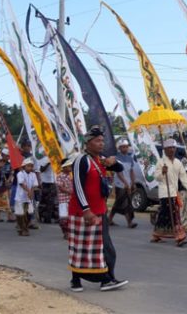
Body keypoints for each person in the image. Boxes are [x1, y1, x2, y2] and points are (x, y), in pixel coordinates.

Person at [69, 125, 128, 292]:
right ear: (88, 143)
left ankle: (103, 279)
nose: (101, 144)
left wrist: (114, 162)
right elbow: (78, 186)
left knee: (96, 247)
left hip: (100, 211)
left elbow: (120, 168)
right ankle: (101, 280)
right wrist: (86, 210)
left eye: (102, 140)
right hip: (84, 212)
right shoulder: (81, 160)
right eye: (97, 141)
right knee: (82, 246)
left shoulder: (100, 159)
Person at [151, 138, 187, 247]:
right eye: (169, 148)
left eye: (173, 148)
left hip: (174, 192)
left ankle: (157, 234)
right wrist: (162, 173)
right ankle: (179, 236)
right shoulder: (161, 162)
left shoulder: (178, 162)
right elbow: (156, 177)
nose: (172, 150)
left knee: (164, 215)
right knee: (174, 215)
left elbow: (183, 177)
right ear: (164, 149)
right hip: (165, 193)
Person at [109, 139, 137, 228]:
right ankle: (129, 223)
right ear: (119, 148)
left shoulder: (130, 158)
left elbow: (131, 171)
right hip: (119, 183)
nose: (125, 148)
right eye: (123, 147)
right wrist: (125, 182)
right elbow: (118, 173)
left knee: (123, 203)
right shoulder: (116, 158)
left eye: (126, 147)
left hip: (128, 183)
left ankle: (109, 219)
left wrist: (133, 182)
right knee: (123, 203)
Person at [15, 158, 38, 237]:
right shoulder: (20, 174)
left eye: (31, 166)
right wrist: (28, 191)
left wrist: (31, 192)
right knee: (20, 214)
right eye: (28, 166)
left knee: (29, 213)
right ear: (24, 166)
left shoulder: (33, 174)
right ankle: (23, 228)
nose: (30, 168)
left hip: (28, 198)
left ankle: (25, 227)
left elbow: (34, 185)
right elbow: (22, 184)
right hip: (20, 197)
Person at [36, 147, 58, 224]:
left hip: (53, 182)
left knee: (52, 201)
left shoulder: (56, 159)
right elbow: (41, 169)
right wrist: (48, 163)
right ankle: (41, 216)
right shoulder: (44, 159)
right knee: (43, 200)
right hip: (45, 182)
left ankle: (50, 217)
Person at [0, 149, 13, 222]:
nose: (8, 157)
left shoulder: (9, 164)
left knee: (7, 200)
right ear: (3, 155)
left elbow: (11, 173)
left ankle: (9, 216)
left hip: (6, 185)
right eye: (7, 156)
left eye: (9, 156)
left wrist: (9, 180)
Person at [56, 156, 75, 239]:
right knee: (63, 218)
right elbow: (61, 188)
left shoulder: (71, 176)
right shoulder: (60, 176)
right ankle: (65, 232)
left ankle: (70, 232)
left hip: (71, 199)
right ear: (64, 167)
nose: (70, 167)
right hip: (63, 200)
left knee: (70, 217)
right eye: (69, 166)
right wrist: (70, 192)